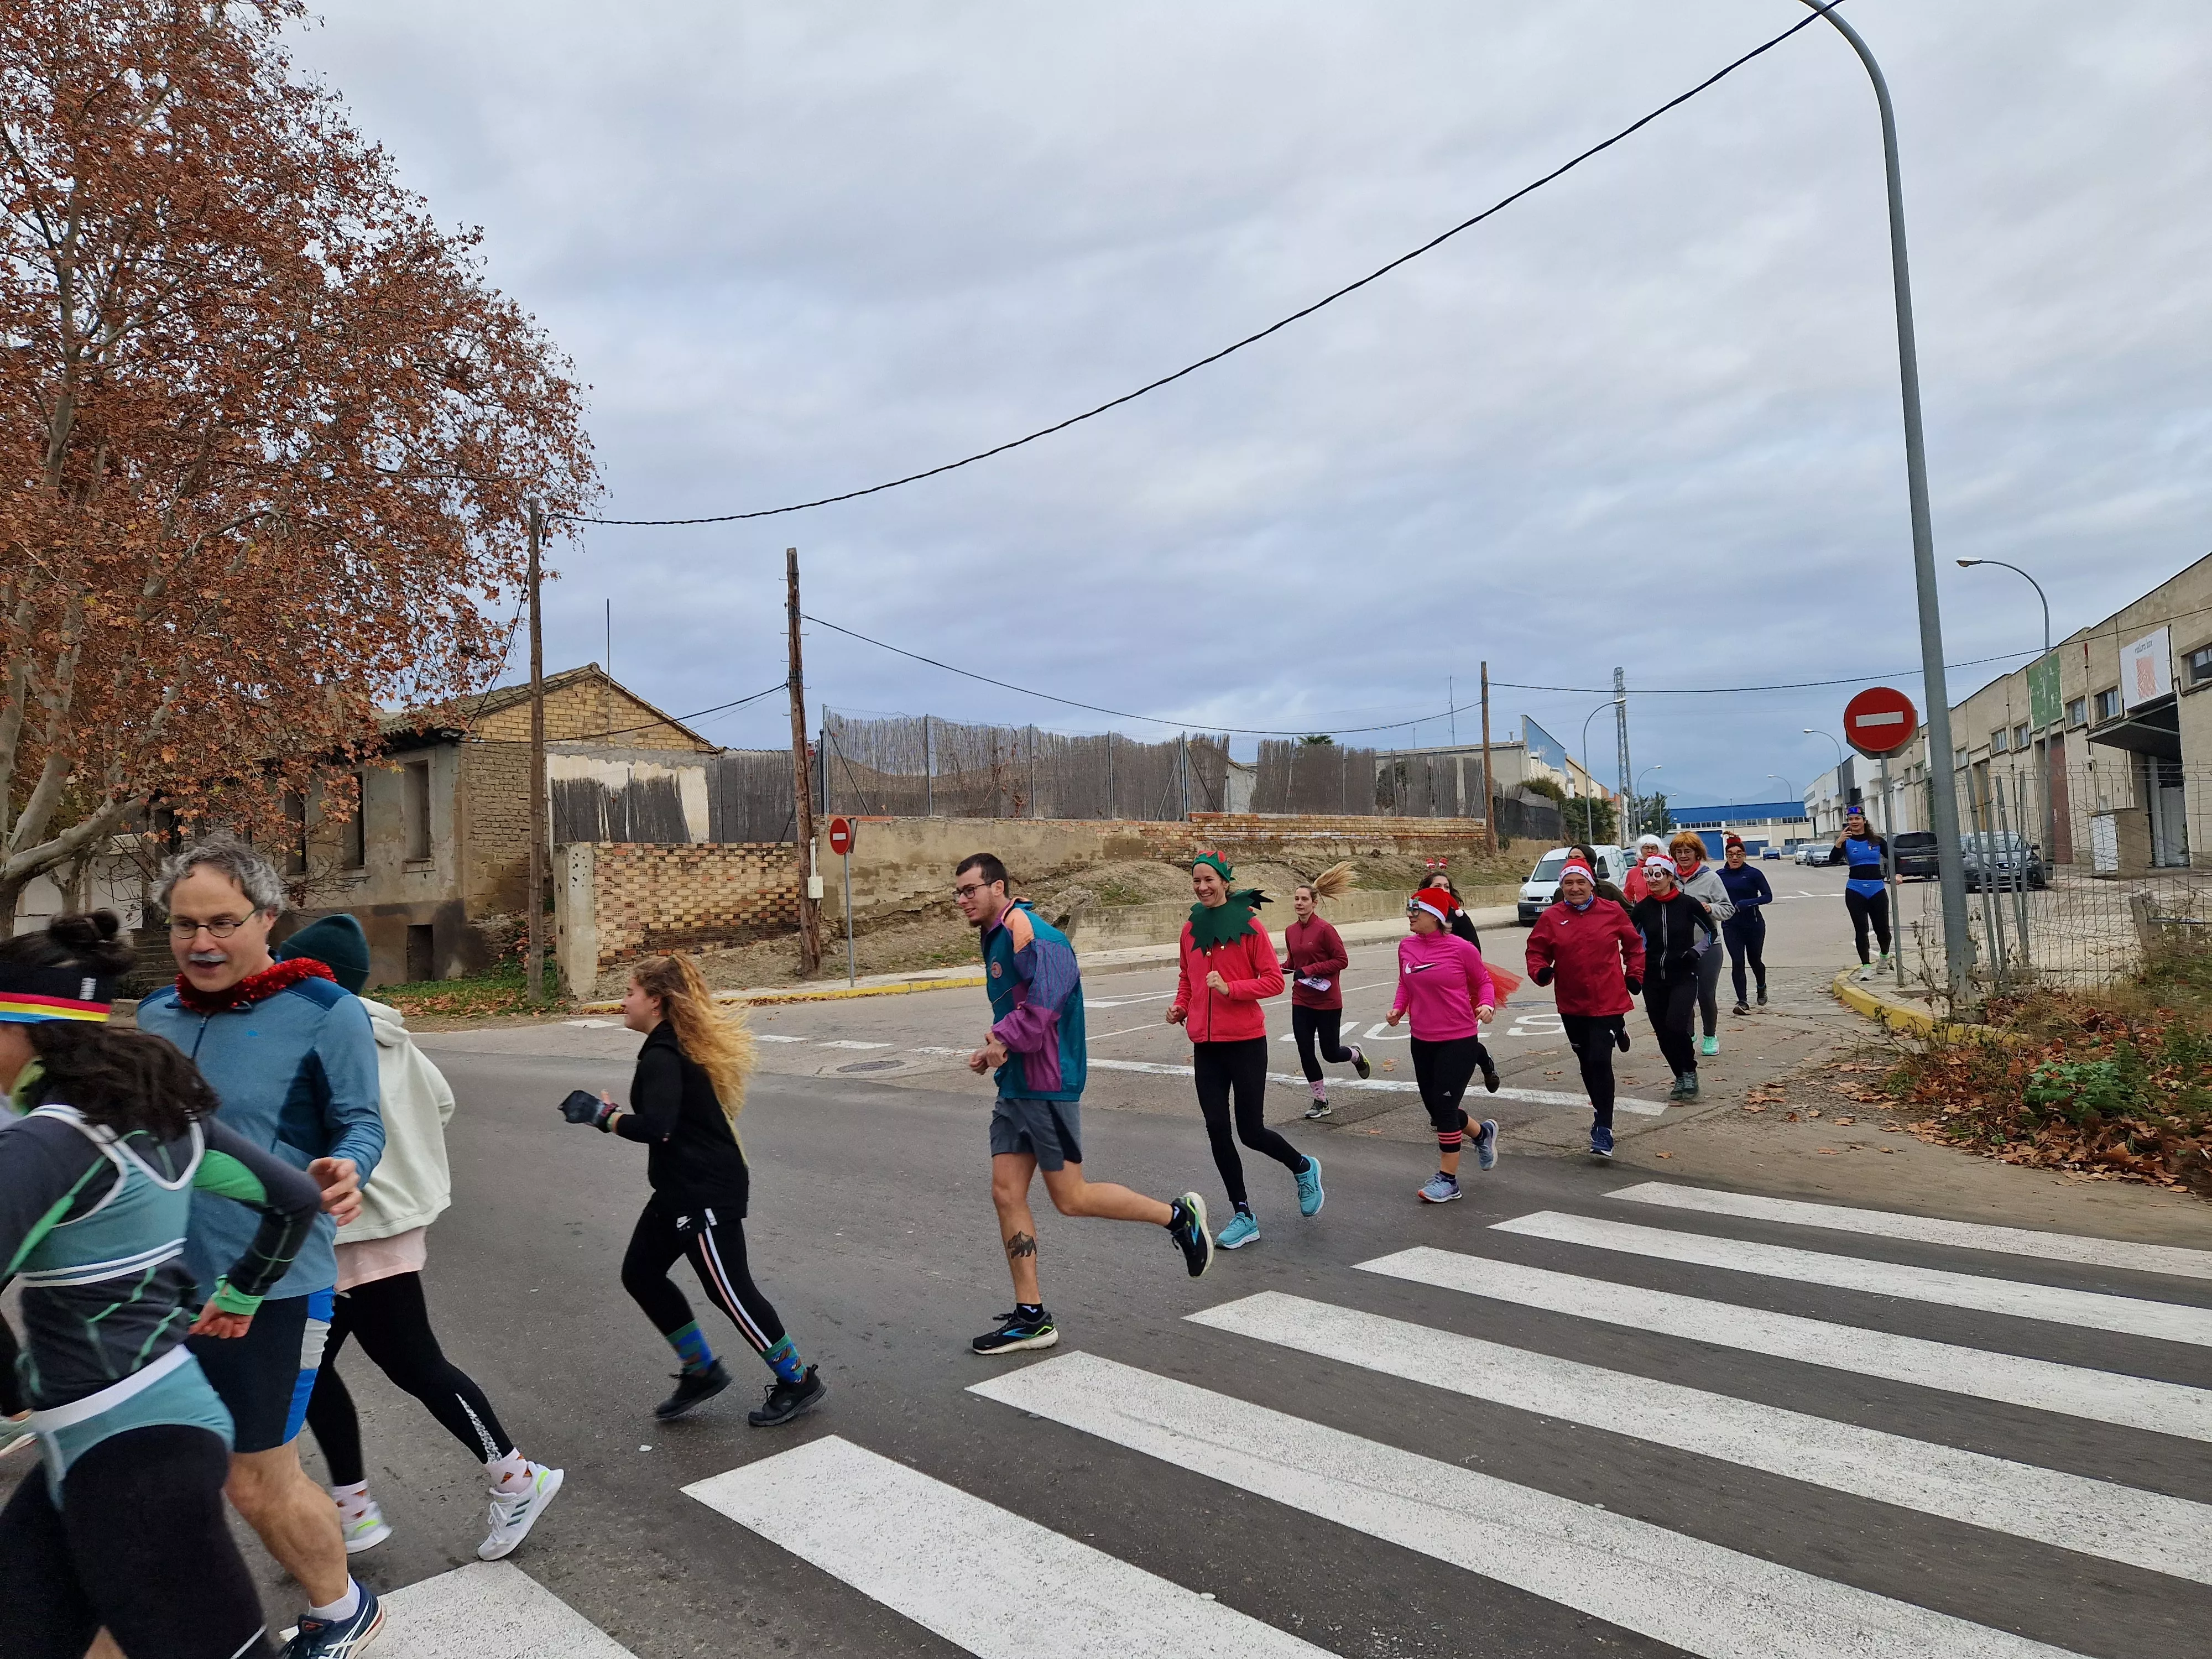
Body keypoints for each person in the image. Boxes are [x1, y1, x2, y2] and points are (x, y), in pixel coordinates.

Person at [0, 912, 330, 1659]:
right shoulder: (159, 1116)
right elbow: (294, 1200)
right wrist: (243, 1294)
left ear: (25, 1032)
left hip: (132, 1457)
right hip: (127, 1432)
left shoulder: (45, 1144)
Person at [134, 837, 386, 1659]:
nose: (200, 943)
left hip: (271, 1280)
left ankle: (342, 1607)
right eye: (182, 926)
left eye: (221, 923)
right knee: (164, 1468)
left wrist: (351, 1166)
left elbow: (360, 1121)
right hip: (168, 1280)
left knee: (256, 1478)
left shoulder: (326, 1011)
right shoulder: (155, 1016)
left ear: (268, 919)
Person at [281, 917, 564, 1563]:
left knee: (406, 1363)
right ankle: (354, 1510)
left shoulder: (321, 1035)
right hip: (382, 1223)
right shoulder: (390, 1033)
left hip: (359, 1228)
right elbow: (441, 1104)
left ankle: (517, 1479)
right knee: (319, 1369)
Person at [955, 854, 1212, 1354]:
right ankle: (1032, 1317)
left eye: (970, 890)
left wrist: (1000, 1039)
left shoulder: (1035, 935)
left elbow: (1045, 1008)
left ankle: (1178, 1218)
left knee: (1071, 1198)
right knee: (1006, 1193)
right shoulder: (998, 932)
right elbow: (1019, 1008)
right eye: (958, 893)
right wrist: (996, 1051)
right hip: (1016, 1084)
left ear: (998, 887)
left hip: (1047, 1083)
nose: (963, 900)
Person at [561, 953, 826, 1427]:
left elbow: (658, 1128)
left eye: (630, 993)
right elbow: (667, 1123)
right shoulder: (668, 1047)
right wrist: (615, 1118)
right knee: (640, 1273)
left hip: (705, 1191)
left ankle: (797, 1380)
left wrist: (605, 1118)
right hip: (678, 1190)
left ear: (655, 1001)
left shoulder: (665, 1054)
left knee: (729, 1291)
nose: (623, 1002)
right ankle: (701, 1370)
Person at [1166, 851, 1321, 1250]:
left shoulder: (1249, 926)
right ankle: (1243, 1213)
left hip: (1247, 1043)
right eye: (1196, 880)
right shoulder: (1190, 928)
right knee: (1217, 1129)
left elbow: (1274, 982)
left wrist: (1231, 989)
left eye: (1209, 880)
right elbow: (1187, 977)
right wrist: (1182, 1006)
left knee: (1250, 1131)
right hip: (1207, 1046)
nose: (1202, 887)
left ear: (1224, 882)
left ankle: (1303, 1168)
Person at [1387, 886, 1500, 1202]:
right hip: (1421, 1039)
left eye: (1416, 911)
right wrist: (1398, 1009)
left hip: (1459, 1038)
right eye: (1409, 909)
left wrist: (1487, 1006)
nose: (1409, 915)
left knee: (1446, 1110)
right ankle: (1483, 1133)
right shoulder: (1406, 946)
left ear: (1435, 917)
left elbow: (1483, 982)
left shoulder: (1461, 948)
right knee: (1438, 1112)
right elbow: (1404, 983)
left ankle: (1448, 1180)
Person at [1525, 858, 1645, 1157]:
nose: (1575, 888)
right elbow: (1536, 950)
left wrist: (1635, 974)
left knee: (1599, 1060)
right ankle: (1601, 1106)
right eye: (1569, 883)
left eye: (1581, 882)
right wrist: (1540, 971)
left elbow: (1634, 946)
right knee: (1586, 1061)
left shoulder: (1611, 911)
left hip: (1607, 1000)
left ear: (1592, 884)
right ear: (1562, 887)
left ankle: (1604, 1126)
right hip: (1572, 1002)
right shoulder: (1553, 917)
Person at [1280, 862, 1369, 1119]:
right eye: (1296, 899)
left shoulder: (1325, 930)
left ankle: (1354, 1054)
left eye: (1304, 899)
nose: (1299, 903)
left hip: (1327, 1001)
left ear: (1314, 903)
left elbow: (1342, 960)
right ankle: (1320, 1100)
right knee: (1305, 1050)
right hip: (1302, 1000)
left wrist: (1309, 970)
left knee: (1330, 1053)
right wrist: (1277, 969)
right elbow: (1293, 963)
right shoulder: (1291, 931)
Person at [1628, 855, 1719, 1100]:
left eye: (1659, 875)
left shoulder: (1688, 904)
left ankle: (1689, 1071)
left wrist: (1694, 953)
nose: (1653, 880)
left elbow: (1711, 933)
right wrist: (1634, 970)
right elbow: (1630, 941)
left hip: (1683, 975)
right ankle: (1680, 1076)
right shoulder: (1643, 908)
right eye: (1648, 875)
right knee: (1662, 1032)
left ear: (1670, 877)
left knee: (1676, 1025)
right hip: (1653, 979)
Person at [1670, 832, 1735, 1057]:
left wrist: (1709, 909)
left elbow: (1728, 909)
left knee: (1706, 995)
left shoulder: (1711, 879)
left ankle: (1710, 1036)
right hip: (1678, 948)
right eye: (1678, 852)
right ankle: (1689, 1033)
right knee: (1681, 996)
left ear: (1697, 853)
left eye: (1688, 851)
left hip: (1708, 947)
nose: (1683, 856)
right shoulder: (1668, 878)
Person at [1830, 810, 1893, 980]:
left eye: (1857, 818)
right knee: (1861, 929)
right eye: (1851, 819)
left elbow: (1893, 858)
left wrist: (1898, 874)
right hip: (1855, 890)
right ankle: (1866, 966)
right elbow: (1833, 860)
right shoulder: (1846, 842)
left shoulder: (1878, 841)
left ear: (1864, 821)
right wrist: (1838, 843)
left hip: (1877, 889)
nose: (1854, 822)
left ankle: (1884, 956)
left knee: (1883, 930)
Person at [1716, 835, 1774, 1014]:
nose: (1735, 858)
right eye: (1731, 854)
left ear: (1745, 856)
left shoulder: (1754, 874)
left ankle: (1761, 985)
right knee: (1737, 961)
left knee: (1755, 960)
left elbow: (1767, 896)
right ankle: (1742, 1001)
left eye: (1739, 854)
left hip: (1754, 924)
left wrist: (1746, 903)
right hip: (1731, 925)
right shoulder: (1719, 876)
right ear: (1726, 855)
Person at [1547, 842, 1627, 908]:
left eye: (1578, 858)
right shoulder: (1560, 893)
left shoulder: (1608, 889)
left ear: (1590, 863)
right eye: (1570, 858)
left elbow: (1629, 912)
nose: (1575, 889)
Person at [1619, 833, 1667, 905]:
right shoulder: (1633, 873)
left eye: (1653, 848)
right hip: (1642, 913)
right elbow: (1627, 896)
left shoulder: (1666, 869)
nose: (1650, 851)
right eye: (1646, 848)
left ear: (1659, 850)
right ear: (1640, 850)